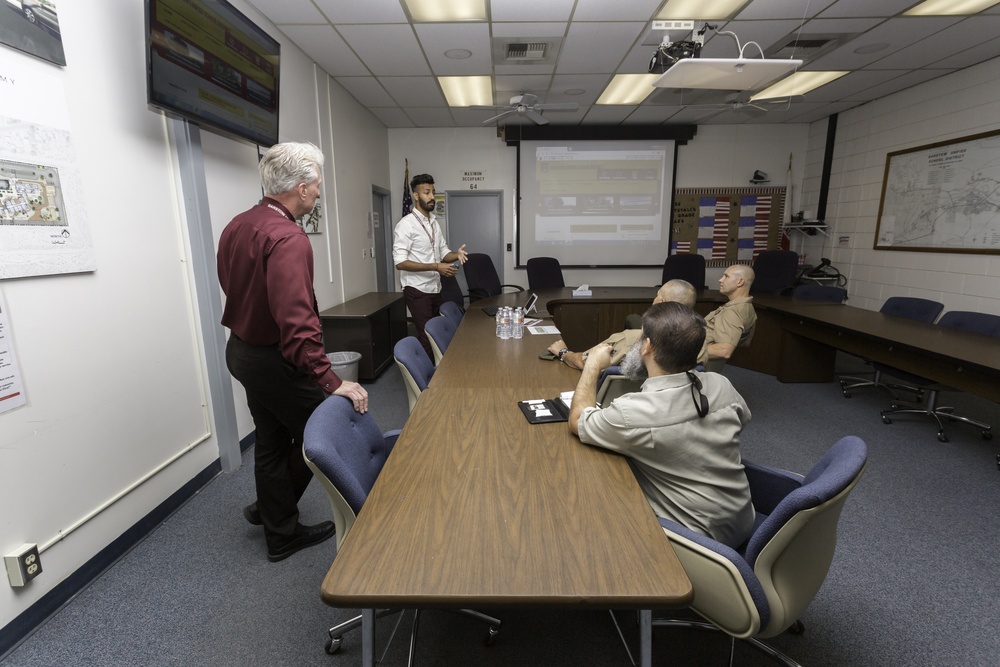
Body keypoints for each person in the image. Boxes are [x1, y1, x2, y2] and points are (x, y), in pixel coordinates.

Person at [217, 141, 369, 563]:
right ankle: (280, 527)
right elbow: (297, 324)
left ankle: (271, 514)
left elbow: (233, 287)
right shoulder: (288, 238)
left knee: (270, 440)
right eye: (317, 185)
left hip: (243, 352)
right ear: (301, 189)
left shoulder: (238, 224)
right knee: (325, 434)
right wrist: (332, 381)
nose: (319, 192)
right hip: (276, 360)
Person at [568, 301, 755, 548]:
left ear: (646, 346)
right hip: (743, 519)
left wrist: (592, 365)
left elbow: (578, 420)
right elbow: (742, 422)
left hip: (698, 539)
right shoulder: (721, 384)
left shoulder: (632, 411)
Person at [393, 173, 468, 359]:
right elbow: (400, 262)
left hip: (435, 288)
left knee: (435, 334)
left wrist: (456, 255)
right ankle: (430, 381)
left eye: (433, 192)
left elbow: (444, 253)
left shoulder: (434, 223)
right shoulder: (406, 225)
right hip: (417, 290)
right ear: (416, 196)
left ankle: (438, 370)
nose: (432, 196)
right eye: (427, 192)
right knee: (427, 336)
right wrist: (436, 267)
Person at [546, 279, 697, 370]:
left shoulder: (632, 339)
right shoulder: (698, 344)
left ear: (662, 303)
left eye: (657, 295)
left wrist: (563, 352)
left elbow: (584, 362)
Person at [701, 264, 757, 367]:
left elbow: (724, 351)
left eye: (726, 276)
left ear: (740, 282)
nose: (720, 280)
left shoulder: (732, 312)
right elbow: (746, 342)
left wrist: (687, 353)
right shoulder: (748, 308)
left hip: (697, 364)